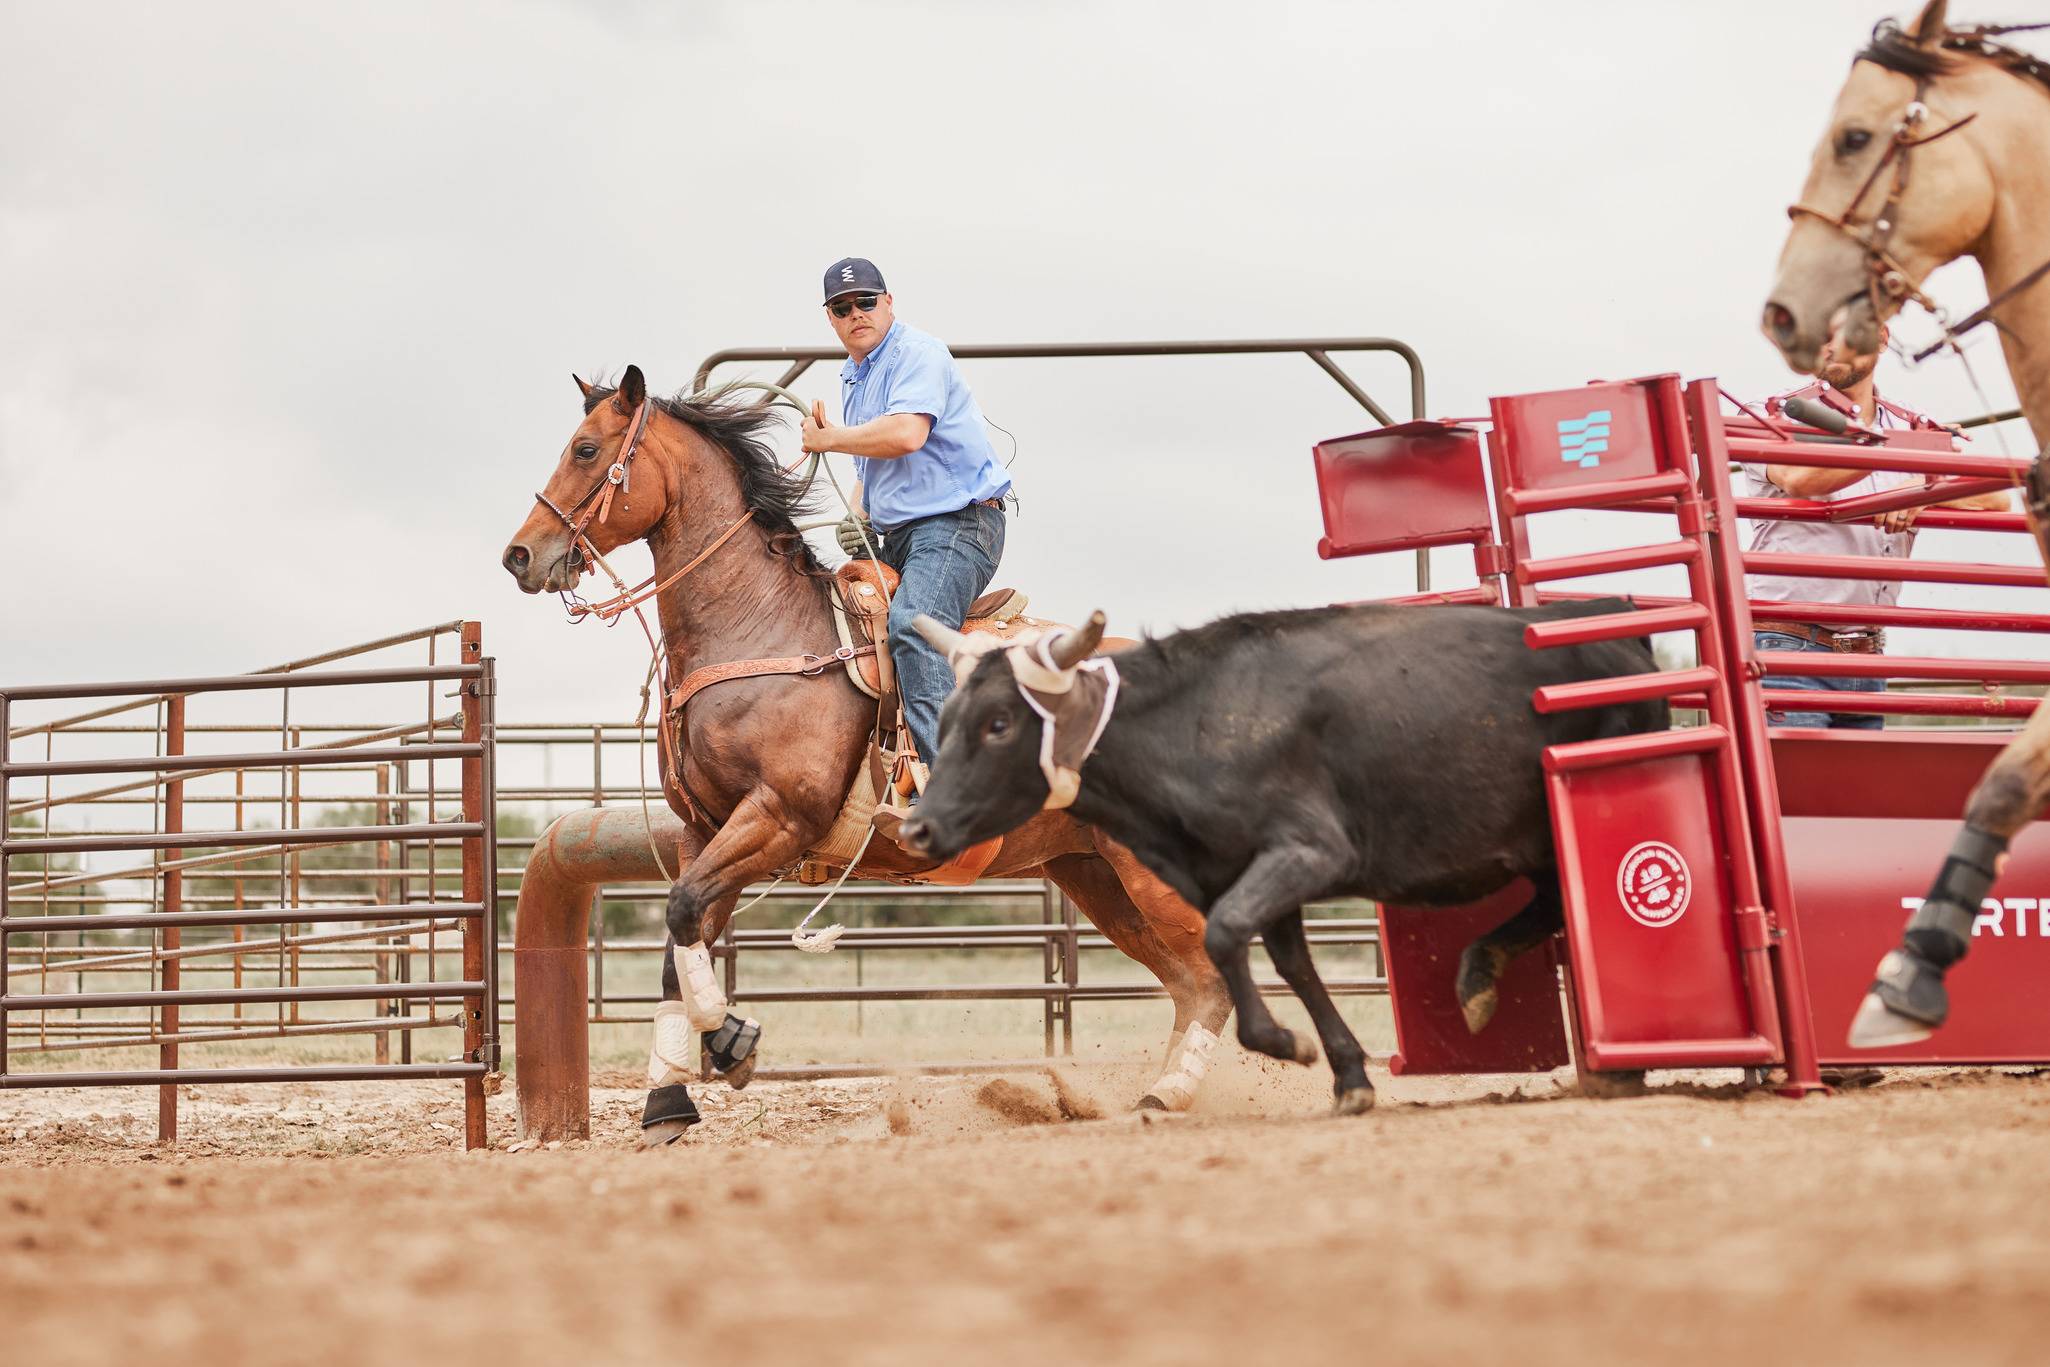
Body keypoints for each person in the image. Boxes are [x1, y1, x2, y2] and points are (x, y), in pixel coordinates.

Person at [799, 257, 1013, 781]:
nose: (856, 313)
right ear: (831, 319)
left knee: (914, 627)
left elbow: (906, 435)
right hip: (899, 535)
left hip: (958, 527)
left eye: (866, 301)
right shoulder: (855, 375)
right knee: (833, 624)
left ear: (888, 302)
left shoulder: (918, 353)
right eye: (842, 307)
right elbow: (872, 464)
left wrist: (829, 438)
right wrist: (857, 513)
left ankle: (952, 788)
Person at [1744, 323, 2011, 728]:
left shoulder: (1913, 427)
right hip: (1790, 646)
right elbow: (1801, 478)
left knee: (1858, 790)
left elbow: (1996, 497)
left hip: (1866, 659)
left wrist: (1924, 484)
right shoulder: (1774, 415)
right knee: (1794, 787)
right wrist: (1903, 456)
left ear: (1882, 338)